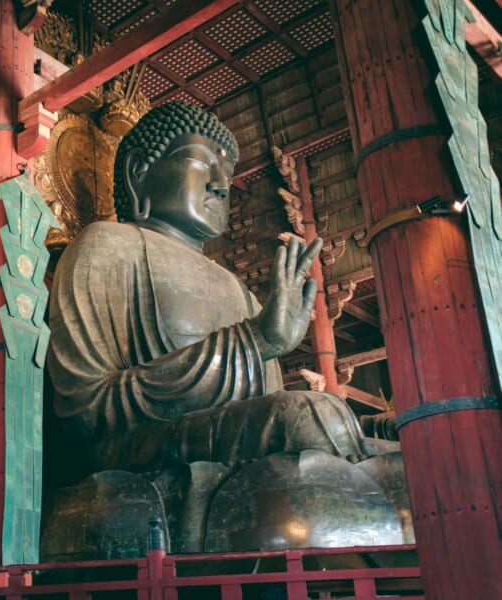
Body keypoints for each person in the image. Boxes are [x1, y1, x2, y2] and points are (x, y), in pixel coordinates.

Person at [44, 102, 401, 553]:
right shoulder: (107, 246)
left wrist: (261, 344)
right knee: (309, 417)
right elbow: (85, 410)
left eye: (228, 179)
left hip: (228, 442)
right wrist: (257, 341)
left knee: (386, 429)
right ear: (139, 172)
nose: (219, 185)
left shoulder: (240, 291)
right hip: (140, 448)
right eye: (201, 164)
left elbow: (262, 408)